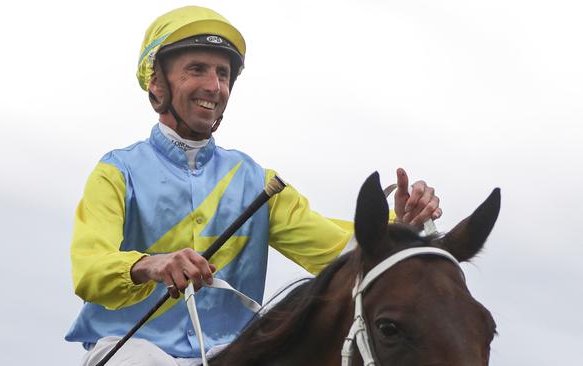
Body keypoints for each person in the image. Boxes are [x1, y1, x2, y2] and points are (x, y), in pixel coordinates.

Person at [65, 6, 441, 366]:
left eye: (223, 74)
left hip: (234, 351)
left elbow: (337, 252)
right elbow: (90, 270)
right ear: (156, 83)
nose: (214, 86)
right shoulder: (117, 171)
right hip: (133, 352)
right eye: (197, 69)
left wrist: (399, 228)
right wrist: (152, 265)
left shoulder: (256, 181)